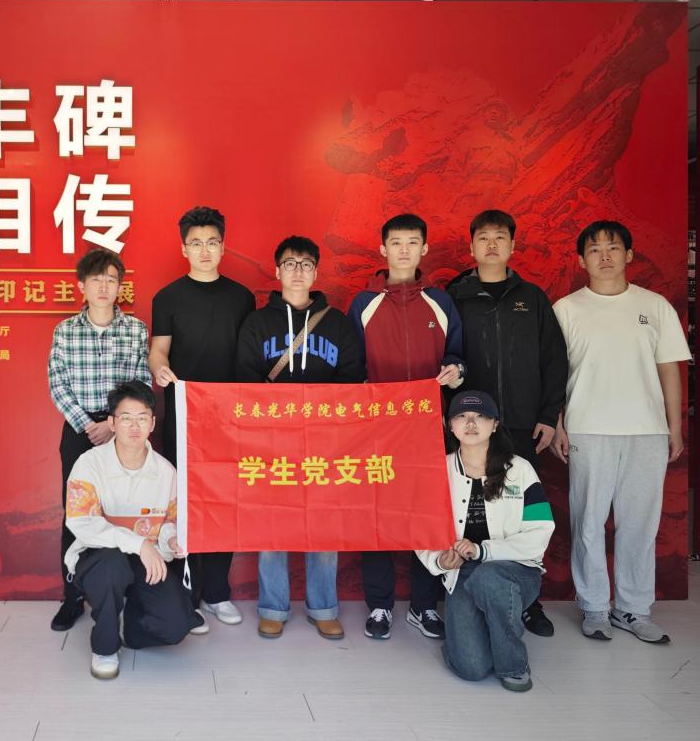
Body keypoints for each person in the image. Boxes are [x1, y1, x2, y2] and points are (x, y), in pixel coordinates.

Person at [550, 221, 690, 644]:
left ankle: (633, 608)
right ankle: (594, 606)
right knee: (589, 522)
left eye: (613, 248)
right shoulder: (566, 309)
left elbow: (669, 369)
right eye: (594, 250)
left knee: (640, 524)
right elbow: (554, 375)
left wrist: (674, 426)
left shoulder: (655, 306)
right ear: (581, 260)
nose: (605, 256)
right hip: (588, 428)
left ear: (629, 255)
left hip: (646, 431)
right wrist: (559, 423)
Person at [446, 209, 568, 637]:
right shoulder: (455, 296)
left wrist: (548, 416)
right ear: (472, 246)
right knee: (471, 510)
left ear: (513, 246)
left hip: (520, 424)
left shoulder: (531, 298)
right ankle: (462, 590)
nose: (492, 244)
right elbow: (443, 356)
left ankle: (528, 600)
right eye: (483, 237)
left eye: (500, 237)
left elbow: (554, 359)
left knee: (519, 512)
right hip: (469, 425)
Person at [236, 235, 362, 640]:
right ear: (277, 271)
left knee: (323, 523)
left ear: (315, 272)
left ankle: (323, 607)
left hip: (325, 443)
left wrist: (318, 417)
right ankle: (273, 606)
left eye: (306, 264)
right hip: (272, 442)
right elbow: (245, 380)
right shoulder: (257, 323)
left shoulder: (337, 322)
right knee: (273, 522)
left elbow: (352, 378)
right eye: (289, 263)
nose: (297, 271)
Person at [347, 213, 465, 641]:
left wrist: (456, 371)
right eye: (396, 242)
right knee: (376, 516)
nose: (403, 250)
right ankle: (379, 606)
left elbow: (457, 355)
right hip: (376, 430)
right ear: (383, 249)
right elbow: (351, 367)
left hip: (429, 428)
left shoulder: (441, 302)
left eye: (412, 242)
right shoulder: (363, 303)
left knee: (426, 515)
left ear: (424, 249)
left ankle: (423, 605)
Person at [149, 206, 256, 631]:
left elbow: (248, 355)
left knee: (225, 502)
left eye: (212, 242)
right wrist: (160, 369)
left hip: (230, 416)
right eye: (196, 243)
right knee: (186, 502)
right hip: (184, 413)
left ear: (223, 247)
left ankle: (216, 593)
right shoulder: (168, 297)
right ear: (184, 249)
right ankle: (187, 595)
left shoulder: (242, 297)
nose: (205, 250)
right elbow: (159, 349)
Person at [417, 390, 555, 692]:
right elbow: (421, 528)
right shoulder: (436, 470)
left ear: (494, 425)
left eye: (480, 416)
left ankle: (514, 665)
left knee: (490, 577)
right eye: (461, 416)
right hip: (463, 572)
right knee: (471, 668)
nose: (470, 423)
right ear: (449, 425)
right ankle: (482, 632)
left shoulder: (520, 469)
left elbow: (542, 529)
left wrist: (483, 551)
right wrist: (439, 560)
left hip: (516, 569)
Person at [46, 249, 152, 632]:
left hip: (123, 431)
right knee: (76, 514)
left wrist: (112, 424)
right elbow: (57, 384)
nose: (104, 286)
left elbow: (141, 381)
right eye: (96, 280)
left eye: (111, 279)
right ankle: (72, 597)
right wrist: (87, 425)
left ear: (120, 286)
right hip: (79, 433)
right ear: (82, 286)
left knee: (128, 508)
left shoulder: (135, 330)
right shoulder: (65, 331)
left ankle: (134, 594)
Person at [65, 381, 200, 679]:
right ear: (112, 423)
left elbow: (169, 521)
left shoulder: (166, 472)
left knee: (176, 627)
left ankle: (128, 624)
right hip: (98, 557)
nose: (134, 426)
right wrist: (138, 544)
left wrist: (172, 539)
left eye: (142, 418)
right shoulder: (89, 465)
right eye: (126, 418)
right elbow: (83, 522)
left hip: (145, 559)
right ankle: (105, 646)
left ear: (153, 423)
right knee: (111, 565)